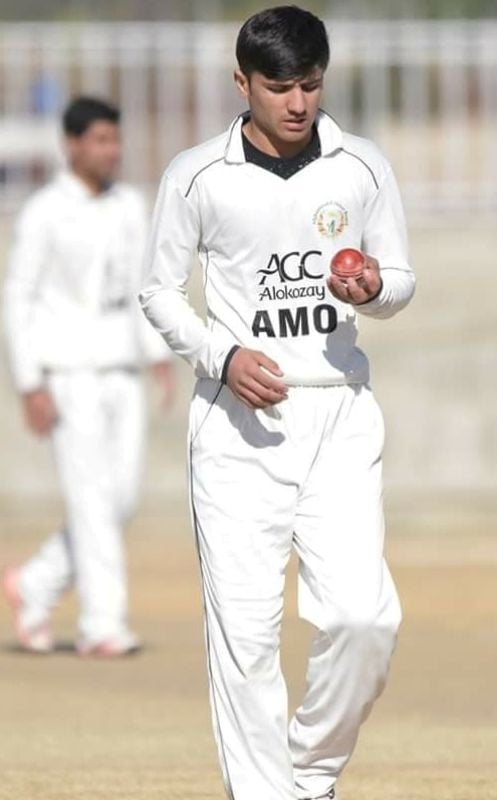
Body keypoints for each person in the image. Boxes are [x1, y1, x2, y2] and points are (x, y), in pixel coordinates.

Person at [140, 6, 415, 799]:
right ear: (242, 84)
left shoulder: (359, 166)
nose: (297, 103)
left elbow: (397, 280)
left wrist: (373, 288)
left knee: (364, 620)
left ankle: (310, 772)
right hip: (237, 429)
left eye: (310, 84)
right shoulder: (196, 174)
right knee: (246, 639)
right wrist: (220, 356)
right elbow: (158, 290)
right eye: (278, 86)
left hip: (337, 415)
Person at [3, 96, 173, 657]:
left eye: (115, 140)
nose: (110, 151)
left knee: (119, 499)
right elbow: (18, 297)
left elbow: (141, 284)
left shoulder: (129, 204)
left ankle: (34, 584)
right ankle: (104, 625)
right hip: (66, 373)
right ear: (72, 144)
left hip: (122, 368)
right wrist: (29, 383)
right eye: (99, 141)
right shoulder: (45, 211)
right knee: (92, 502)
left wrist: (157, 354)